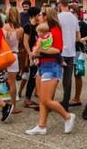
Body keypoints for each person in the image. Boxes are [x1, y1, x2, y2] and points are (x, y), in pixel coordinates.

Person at [25, 7, 76, 136]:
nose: (39, 16)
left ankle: (67, 116)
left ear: (47, 16)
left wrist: (39, 50)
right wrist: (35, 52)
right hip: (42, 65)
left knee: (46, 99)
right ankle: (42, 126)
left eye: (41, 14)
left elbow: (57, 50)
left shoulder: (55, 30)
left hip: (51, 66)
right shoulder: (45, 30)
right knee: (43, 99)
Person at [56, 0, 79, 111]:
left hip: (59, 51)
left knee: (54, 77)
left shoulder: (57, 17)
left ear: (60, 4)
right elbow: (78, 36)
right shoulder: (74, 18)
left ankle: (49, 102)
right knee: (68, 79)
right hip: (71, 51)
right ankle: (65, 103)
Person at [70, 8, 87, 105]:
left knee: (78, 74)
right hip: (69, 51)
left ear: (77, 15)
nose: (71, 15)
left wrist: (81, 39)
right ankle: (71, 98)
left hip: (79, 52)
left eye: (73, 13)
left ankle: (77, 98)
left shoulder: (81, 24)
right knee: (68, 75)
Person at [3, 7, 24, 114]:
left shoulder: (4, 27)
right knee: (12, 83)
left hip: (3, 55)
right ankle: (13, 106)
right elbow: (19, 43)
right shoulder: (20, 29)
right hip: (14, 55)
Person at [21, 6, 42, 109]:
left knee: (36, 76)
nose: (40, 16)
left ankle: (31, 96)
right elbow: (25, 41)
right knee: (32, 76)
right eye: (39, 14)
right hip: (32, 55)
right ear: (34, 15)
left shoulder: (39, 26)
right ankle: (27, 99)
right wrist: (30, 53)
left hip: (39, 53)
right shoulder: (28, 26)